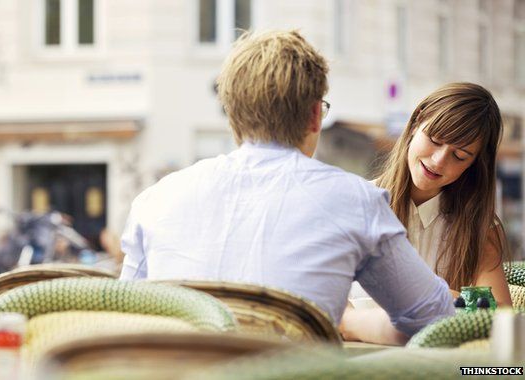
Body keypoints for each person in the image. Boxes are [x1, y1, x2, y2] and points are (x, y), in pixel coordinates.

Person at [119, 30, 454, 340]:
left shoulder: (155, 200)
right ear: (314, 115)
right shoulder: (356, 201)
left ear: (231, 114)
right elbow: (434, 317)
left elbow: (126, 317)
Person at [342, 82, 512, 344]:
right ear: (416, 122)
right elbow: (323, 303)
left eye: (460, 155)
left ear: (475, 164)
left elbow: (500, 313)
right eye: (435, 140)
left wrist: (442, 298)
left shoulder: (479, 227)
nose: (438, 161)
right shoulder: (352, 203)